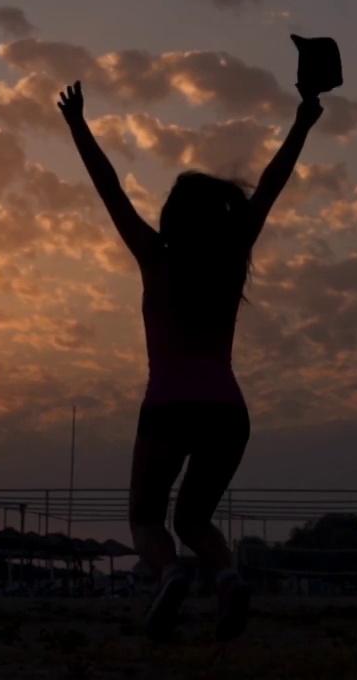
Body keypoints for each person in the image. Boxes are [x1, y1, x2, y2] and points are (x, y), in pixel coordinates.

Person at [58, 81, 323, 642]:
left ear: (173, 218)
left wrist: (77, 123)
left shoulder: (155, 256)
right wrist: (303, 121)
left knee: (147, 519)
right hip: (228, 411)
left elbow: (109, 189)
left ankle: (171, 574)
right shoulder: (231, 257)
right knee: (195, 517)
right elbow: (272, 184)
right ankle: (226, 578)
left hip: (168, 406)